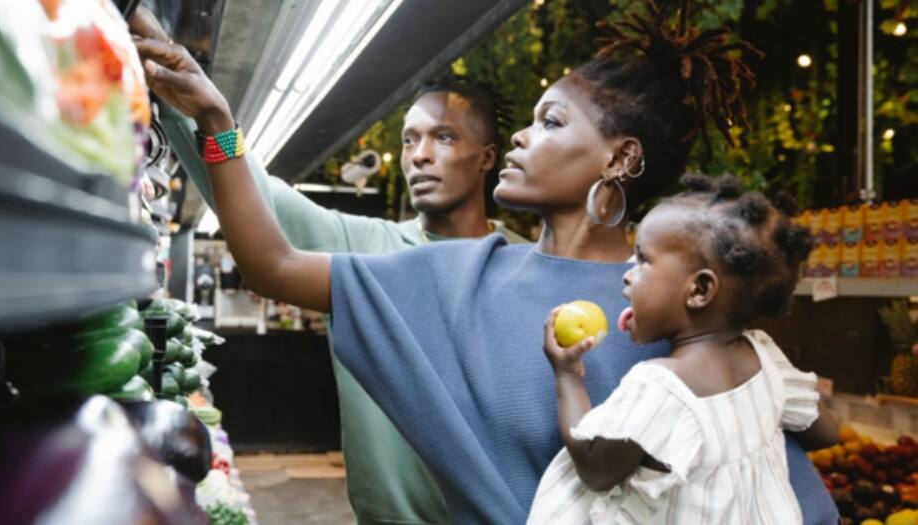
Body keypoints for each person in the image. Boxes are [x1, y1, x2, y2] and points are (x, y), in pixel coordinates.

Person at [131, 1, 838, 522]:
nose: (523, 137)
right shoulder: (458, 273)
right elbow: (272, 263)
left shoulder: (681, 309)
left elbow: (773, 478)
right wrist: (215, 124)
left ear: (621, 157)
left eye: (553, 121)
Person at [128, 10, 525, 525]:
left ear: (487, 156)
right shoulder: (365, 247)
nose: (419, 156)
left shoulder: (526, 266)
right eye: (409, 140)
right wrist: (195, 110)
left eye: (444, 137)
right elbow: (255, 197)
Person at [528, 174, 839, 524]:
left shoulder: (660, 387)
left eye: (643, 259)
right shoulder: (765, 358)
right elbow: (826, 432)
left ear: (700, 290)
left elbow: (595, 469)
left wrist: (567, 375)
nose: (628, 273)